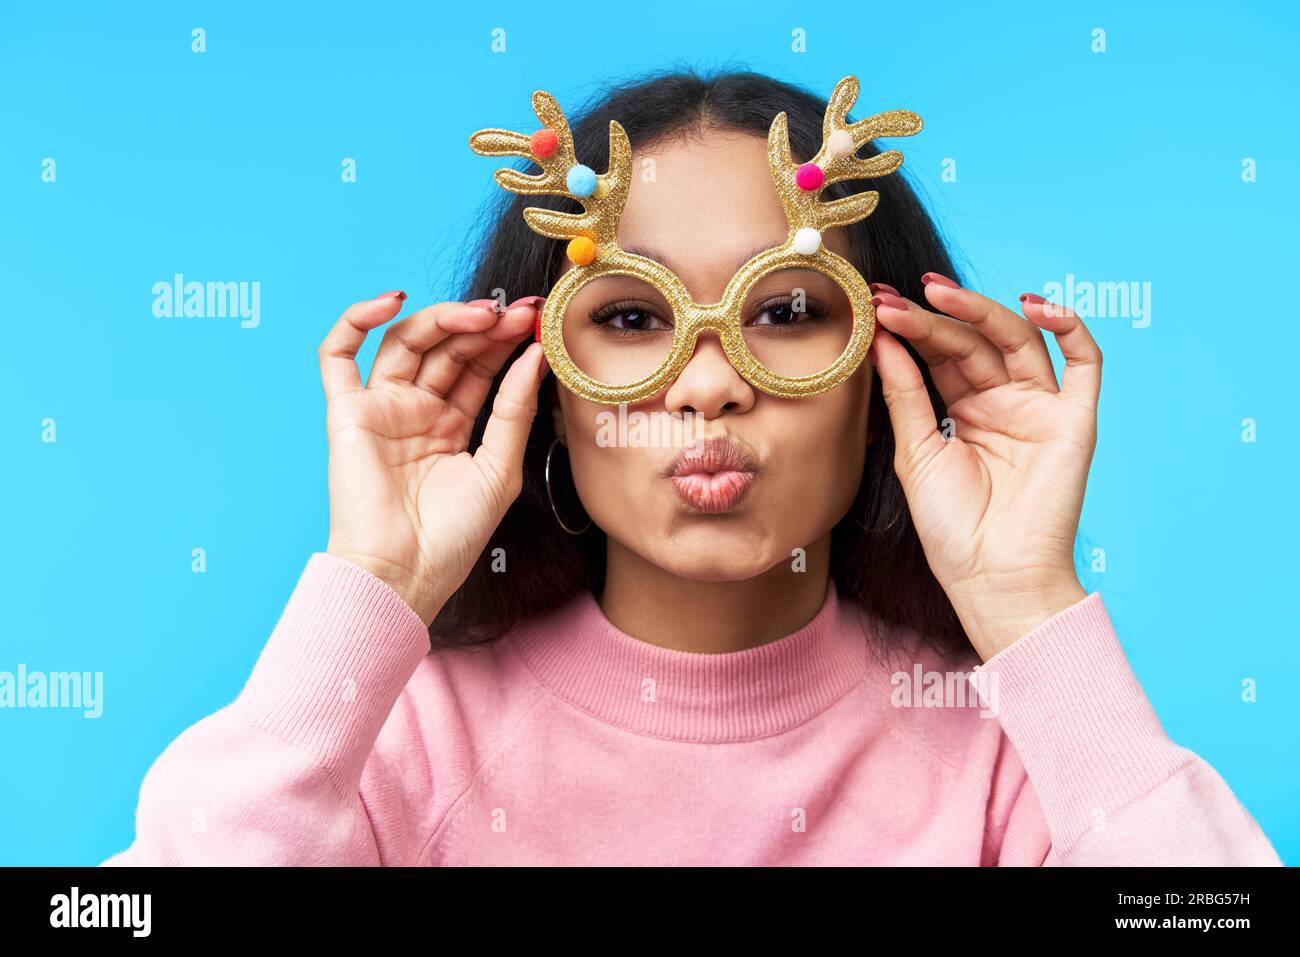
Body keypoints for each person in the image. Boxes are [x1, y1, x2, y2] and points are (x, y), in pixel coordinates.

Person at [102, 69, 1281, 866]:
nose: (706, 384)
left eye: (782, 311)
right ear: (542, 381)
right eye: (627, 319)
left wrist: (1031, 608)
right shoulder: (392, 743)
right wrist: (373, 586)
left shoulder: (1014, 764)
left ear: (884, 376)